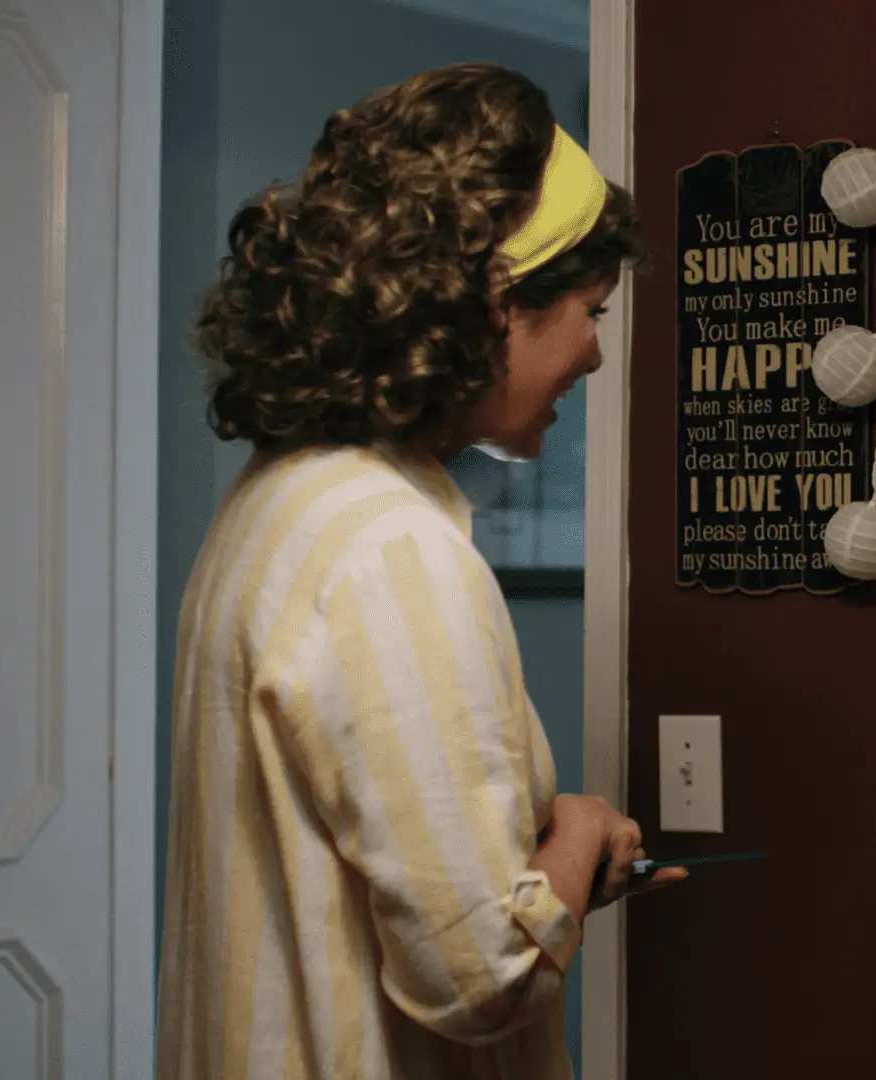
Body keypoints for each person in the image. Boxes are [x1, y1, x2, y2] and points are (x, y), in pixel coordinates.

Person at [157, 63, 680, 1080]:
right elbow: (480, 976)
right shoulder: (395, 551)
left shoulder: (277, 501)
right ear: (491, 305)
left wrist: (554, 873)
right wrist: (575, 831)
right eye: (590, 311)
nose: (594, 356)